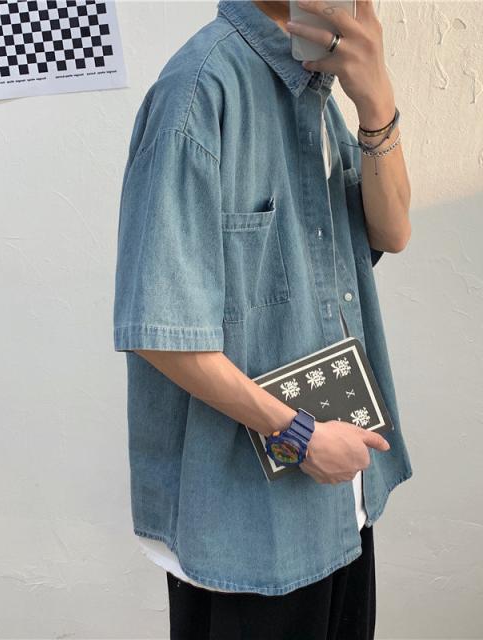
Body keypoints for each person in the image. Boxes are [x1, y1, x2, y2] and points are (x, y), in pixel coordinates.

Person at [113, 0, 414, 637]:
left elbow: (391, 231)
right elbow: (162, 332)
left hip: (342, 498)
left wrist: (376, 101)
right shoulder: (198, 91)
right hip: (247, 524)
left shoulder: (321, 87)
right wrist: (302, 437)